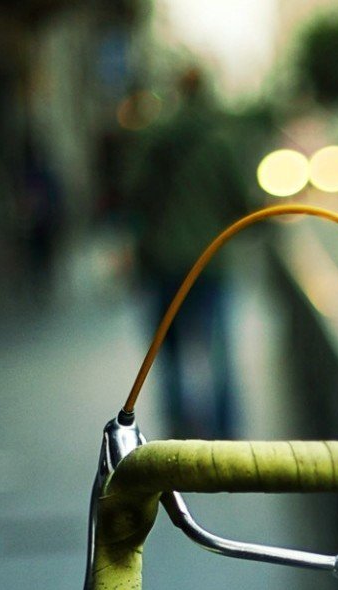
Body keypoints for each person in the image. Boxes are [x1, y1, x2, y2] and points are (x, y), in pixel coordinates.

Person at [124, 66, 250, 439]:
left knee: (170, 350)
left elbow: (135, 194)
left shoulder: (157, 138)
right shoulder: (221, 140)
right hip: (209, 262)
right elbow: (240, 199)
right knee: (218, 350)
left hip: (163, 260)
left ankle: (179, 427)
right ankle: (225, 430)